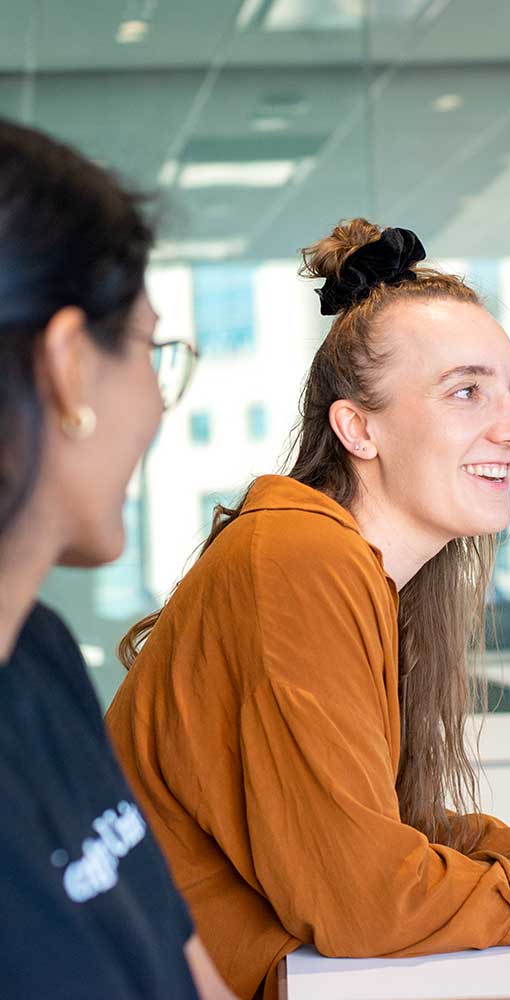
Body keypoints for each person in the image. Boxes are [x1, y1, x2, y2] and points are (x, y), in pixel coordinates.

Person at [106, 220, 510, 1000]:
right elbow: (366, 899)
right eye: (465, 391)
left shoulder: (350, 567)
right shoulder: (299, 559)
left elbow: (398, 830)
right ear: (358, 428)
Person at [0, 118, 236, 999]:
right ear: (67, 367)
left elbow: (182, 962)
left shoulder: (40, 651)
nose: (159, 405)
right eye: (150, 351)